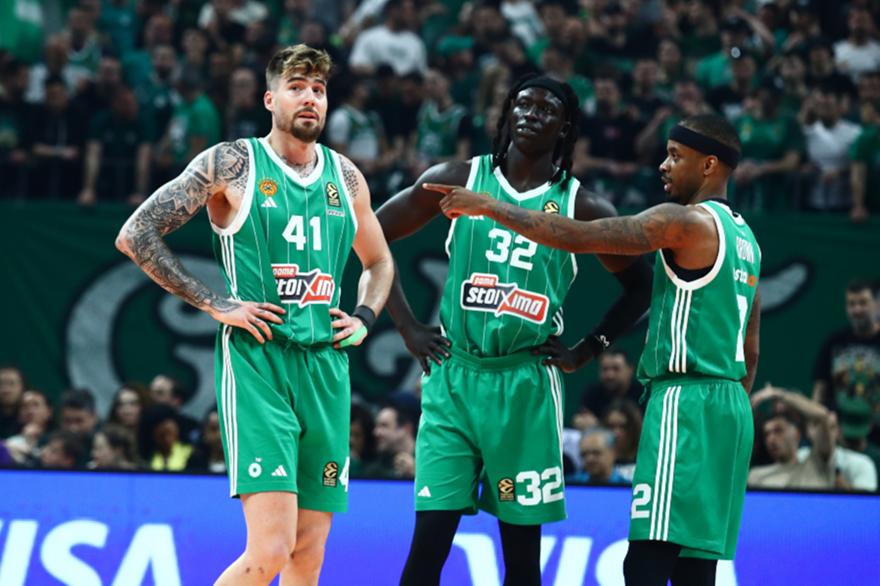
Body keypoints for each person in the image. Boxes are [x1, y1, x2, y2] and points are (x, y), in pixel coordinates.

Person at [438, 113, 761, 585]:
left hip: (686, 401)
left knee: (646, 561)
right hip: (731, 409)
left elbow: (580, 235)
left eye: (675, 156)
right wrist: (726, 414)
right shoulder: (747, 240)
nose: (663, 165)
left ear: (709, 165)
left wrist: (491, 206)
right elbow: (751, 349)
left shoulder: (686, 222)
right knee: (696, 567)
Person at [115, 44, 393, 586]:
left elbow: (379, 261)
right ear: (270, 99)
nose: (310, 98)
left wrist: (364, 316)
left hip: (326, 367)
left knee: (308, 556)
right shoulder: (232, 163)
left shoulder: (346, 176)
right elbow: (136, 233)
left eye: (318, 89)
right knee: (270, 550)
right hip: (260, 362)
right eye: (296, 87)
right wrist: (214, 302)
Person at [376, 74, 652, 586]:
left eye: (546, 110)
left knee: (521, 560)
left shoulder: (582, 206)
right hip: (455, 378)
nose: (531, 115)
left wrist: (587, 349)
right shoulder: (458, 178)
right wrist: (408, 326)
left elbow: (642, 287)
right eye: (523, 105)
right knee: (427, 547)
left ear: (565, 127)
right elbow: (372, 236)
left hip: (524, 383)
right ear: (507, 114)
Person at [812, 280, 880, 446]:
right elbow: (820, 390)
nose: (857, 309)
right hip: (839, 436)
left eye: (863, 303)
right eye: (851, 304)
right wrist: (814, 426)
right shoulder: (834, 342)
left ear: (877, 304)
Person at [748, 385, 835, 490]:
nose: (771, 439)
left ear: (797, 433)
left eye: (778, 430)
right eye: (767, 434)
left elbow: (821, 415)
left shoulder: (817, 463)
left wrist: (777, 393)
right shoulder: (756, 476)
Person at [573, 349, 644, 431]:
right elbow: (579, 420)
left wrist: (599, 425)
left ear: (630, 370)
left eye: (616, 369)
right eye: (605, 369)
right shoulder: (592, 392)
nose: (610, 375)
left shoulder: (643, 394)